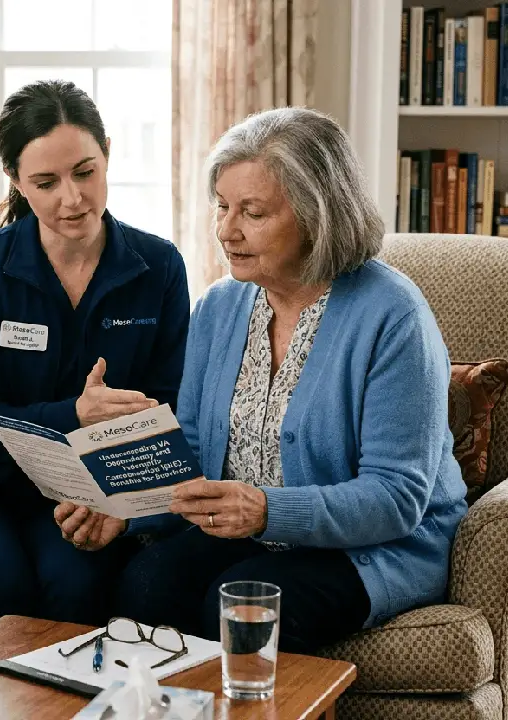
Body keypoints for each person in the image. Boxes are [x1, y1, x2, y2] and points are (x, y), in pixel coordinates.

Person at [56, 107, 468, 653]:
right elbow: (198, 453)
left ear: (318, 214)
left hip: (372, 547)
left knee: (242, 604)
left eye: (252, 212)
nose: (227, 230)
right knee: (145, 582)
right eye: (222, 207)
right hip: (250, 535)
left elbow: (396, 498)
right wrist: (124, 511)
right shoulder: (219, 307)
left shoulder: (394, 318)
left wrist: (268, 510)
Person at [0, 80, 191, 632]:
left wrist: (117, 501)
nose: (72, 198)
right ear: (14, 180)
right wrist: (74, 415)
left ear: (108, 152)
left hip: (94, 485)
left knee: (77, 585)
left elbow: (171, 410)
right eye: (45, 182)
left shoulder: (161, 267)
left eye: (85, 171)